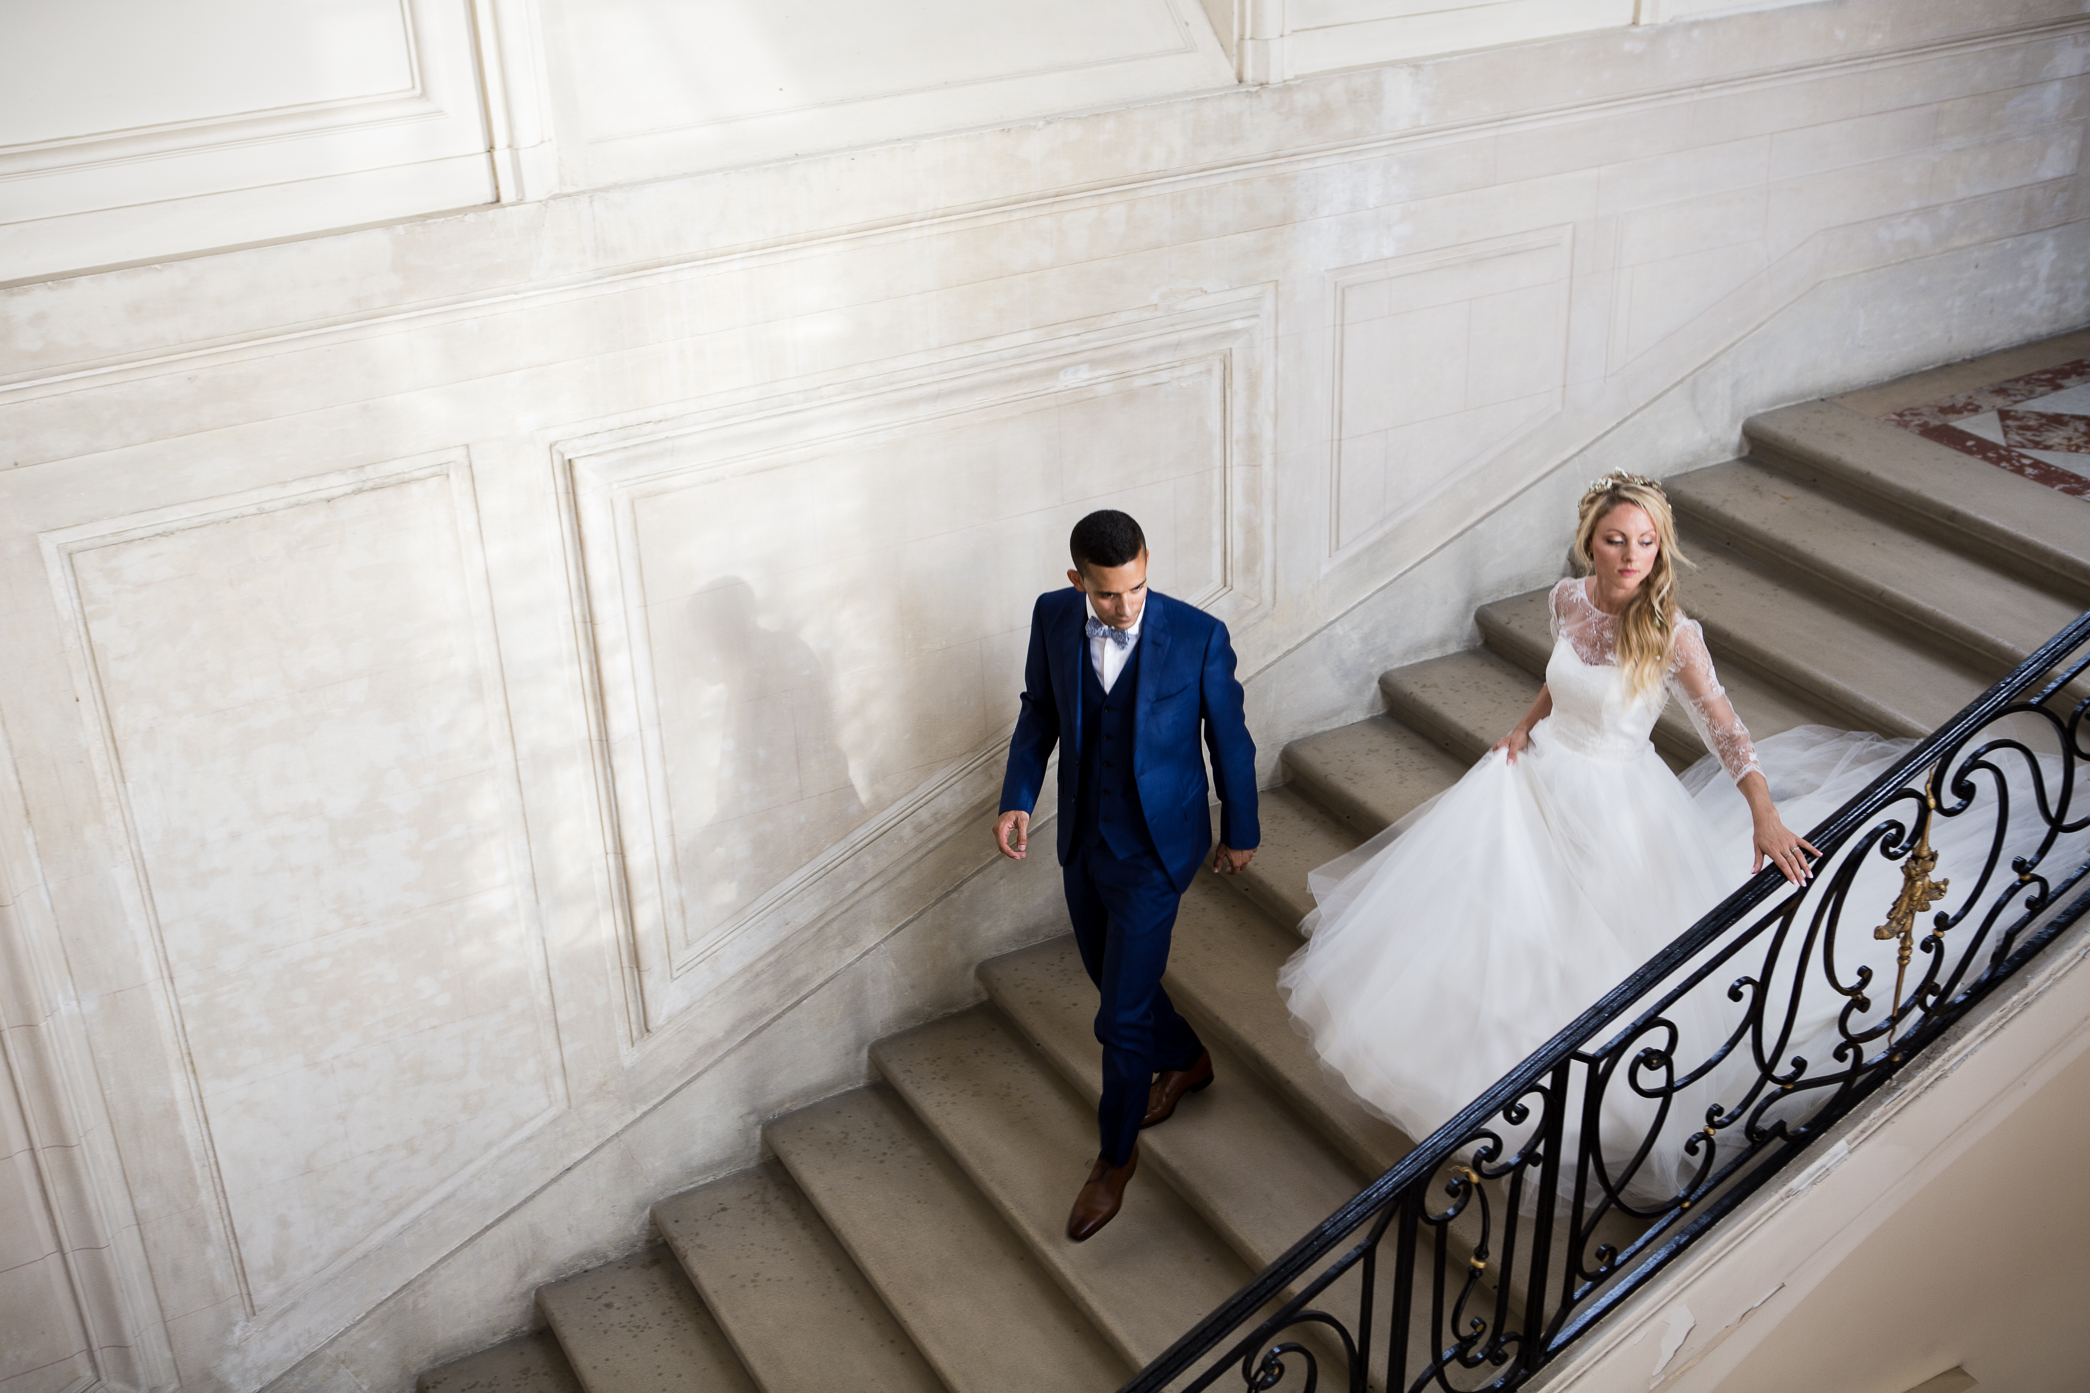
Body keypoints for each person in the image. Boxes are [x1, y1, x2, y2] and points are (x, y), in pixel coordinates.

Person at [1278, 472, 1919, 1203]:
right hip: (1541, 777)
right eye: (1617, 540)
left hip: (1616, 803)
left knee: (1596, 948)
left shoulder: (1672, 633)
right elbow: (1564, 678)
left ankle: (1588, 1099)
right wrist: (1525, 722)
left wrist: (1763, 812)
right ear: (1590, 541)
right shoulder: (1566, 599)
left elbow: (1726, 728)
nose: (1631, 555)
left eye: (1646, 542)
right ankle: (1479, 1071)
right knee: (1507, 923)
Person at [996, 509, 1261, 1241]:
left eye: (1138, 587)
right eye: (1110, 595)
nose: (1127, 606)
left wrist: (1242, 826)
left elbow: (1229, 739)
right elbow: (1038, 711)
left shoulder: (1199, 636)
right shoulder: (1053, 617)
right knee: (1103, 973)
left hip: (1156, 849)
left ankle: (1114, 1160)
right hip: (1084, 840)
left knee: (1117, 1018)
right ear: (1077, 579)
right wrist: (1018, 796)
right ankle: (1186, 1056)